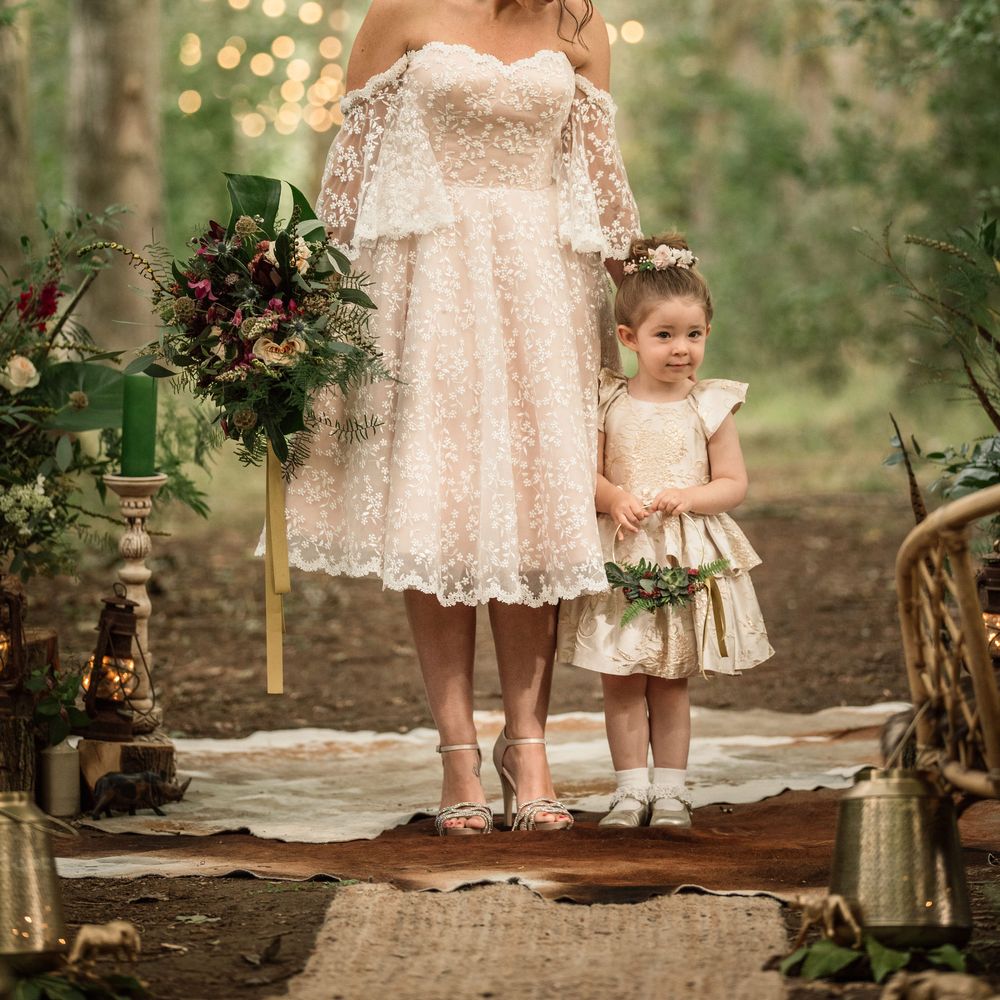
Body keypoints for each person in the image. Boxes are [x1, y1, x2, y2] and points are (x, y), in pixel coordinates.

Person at [282, 0, 641, 834]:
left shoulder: (580, 25)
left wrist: (651, 283)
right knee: (441, 507)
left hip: (547, 278)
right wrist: (294, 306)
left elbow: (599, 173)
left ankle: (530, 747)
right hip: (427, 275)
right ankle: (456, 757)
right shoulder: (399, 10)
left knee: (535, 507)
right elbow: (352, 168)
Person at [557, 234, 774, 828]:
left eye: (694, 335)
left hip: (681, 557)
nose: (682, 349)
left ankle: (673, 791)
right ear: (629, 338)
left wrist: (690, 496)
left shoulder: (709, 406)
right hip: (625, 556)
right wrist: (613, 497)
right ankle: (630, 789)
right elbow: (587, 477)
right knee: (622, 678)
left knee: (671, 678)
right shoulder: (609, 400)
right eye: (665, 335)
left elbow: (732, 483)